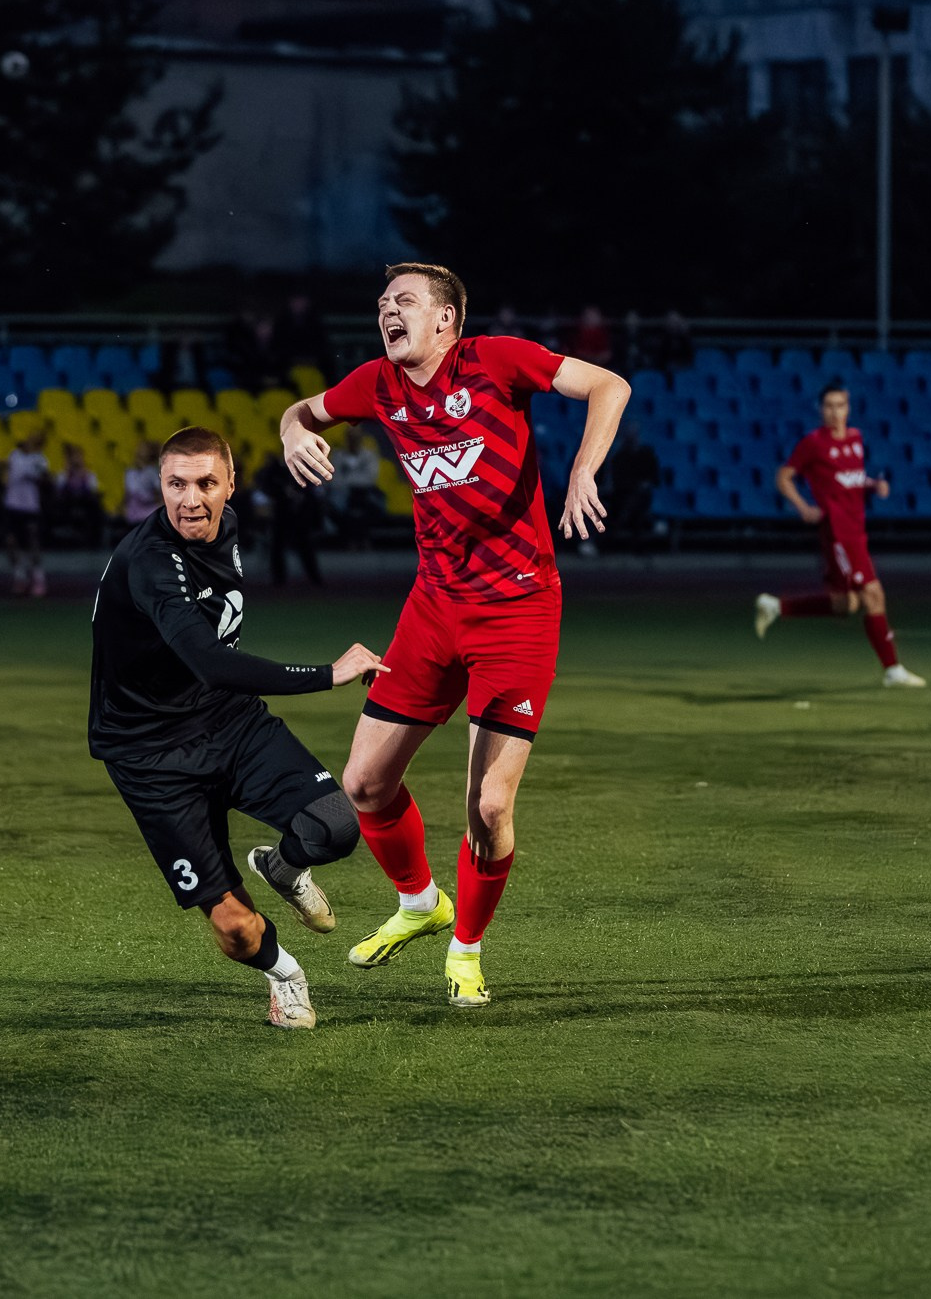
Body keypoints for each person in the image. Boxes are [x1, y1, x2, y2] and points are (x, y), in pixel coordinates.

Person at [277, 262, 629, 1008]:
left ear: (445, 319)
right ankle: (419, 903)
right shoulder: (378, 383)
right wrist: (290, 432)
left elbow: (609, 384)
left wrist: (584, 471)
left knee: (489, 808)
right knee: (364, 784)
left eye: (403, 301)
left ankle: (466, 947)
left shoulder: (495, 360)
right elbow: (302, 410)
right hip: (435, 606)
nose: (387, 311)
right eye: (382, 303)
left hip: (518, 610)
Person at [89, 426, 388, 1029]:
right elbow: (212, 661)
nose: (190, 500)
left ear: (231, 484)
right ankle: (286, 976)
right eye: (176, 485)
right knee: (235, 930)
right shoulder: (151, 562)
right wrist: (327, 674)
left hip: (227, 720)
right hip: (150, 755)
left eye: (206, 483)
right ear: (159, 486)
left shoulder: (226, 527)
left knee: (335, 827)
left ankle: (282, 867)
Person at [754, 384, 926, 688]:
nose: (835, 412)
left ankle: (777, 607)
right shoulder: (814, 443)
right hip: (838, 533)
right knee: (874, 595)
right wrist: (803, 507)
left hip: (856, 531)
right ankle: (892, 669)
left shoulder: (856, 439)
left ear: (849, 408)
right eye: (829, 406)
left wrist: (873, 485)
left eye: (840, 405)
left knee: (846, 604)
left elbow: (849, 480)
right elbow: (783, 476)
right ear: (821, 410)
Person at [253, 452, 324, 586]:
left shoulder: (303, 467)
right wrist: (282, 494)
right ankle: (279, 578)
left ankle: (314, 577)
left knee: (303, 544)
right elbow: (266, 485)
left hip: (298, 512)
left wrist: (300, 496)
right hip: (282, 511)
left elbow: (311, 488)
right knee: (278, 544)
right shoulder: (275, 469)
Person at [5, 431, 50, 596]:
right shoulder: (14, 456)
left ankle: (38, 577)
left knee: (32, 541)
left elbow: (44, 479)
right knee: (10, 542)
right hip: (13, 505)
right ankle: (20, 575)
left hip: (30, 507)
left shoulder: (40, 460)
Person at [54, 442, 104, 549]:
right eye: (74, 457)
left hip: (84, 504)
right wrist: (67, 472)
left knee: (95, 504)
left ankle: (94, 541)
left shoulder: (88, 474)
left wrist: (83, 474)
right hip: (68, 504)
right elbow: (59, 488)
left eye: (79, 457)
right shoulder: (64, 473)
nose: (76, 460)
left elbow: (94, 489)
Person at [122, 441, 162, 526]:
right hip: (133, 513)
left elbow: (161, 493)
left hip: (148, 511)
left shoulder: (152, 472)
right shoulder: (130, 473)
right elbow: (127, 495)